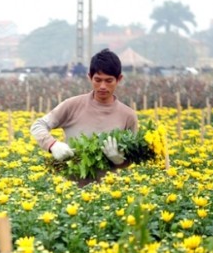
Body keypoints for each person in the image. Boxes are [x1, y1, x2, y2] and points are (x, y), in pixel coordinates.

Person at [30, 48, 137, 183]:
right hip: (70, 192)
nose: (102, 86)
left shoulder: (128, 116)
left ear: (119, 79)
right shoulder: (72, 105)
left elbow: (132, 157)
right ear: (89, 77)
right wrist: (52, 145)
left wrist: (119, 160)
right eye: (97, 80)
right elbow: (38, 125)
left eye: (109, 80)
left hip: (109, 193)